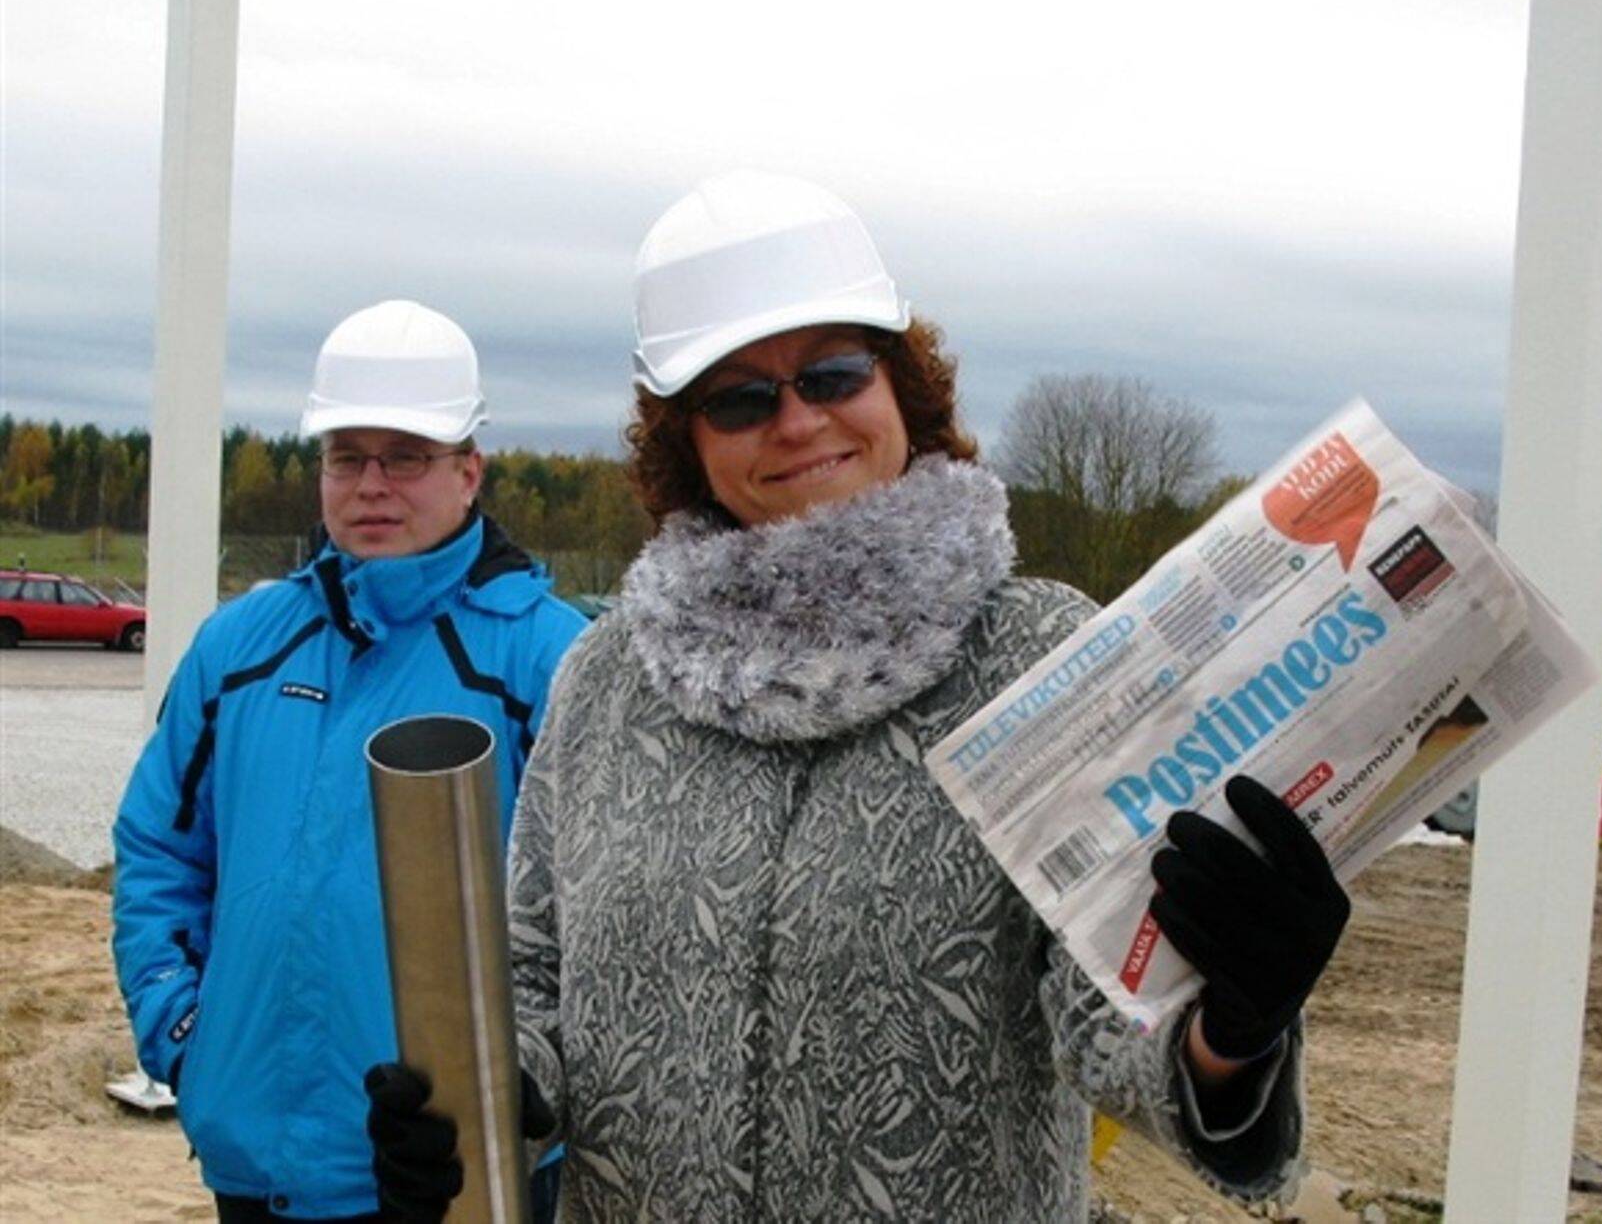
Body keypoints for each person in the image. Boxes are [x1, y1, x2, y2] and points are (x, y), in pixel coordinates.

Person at [368, 171, 1350, 1220]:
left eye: (834, 373)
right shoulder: (610, 678)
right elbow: (535, 975)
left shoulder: (1039, 657)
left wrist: (1233, 1028)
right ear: (687, 439)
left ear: (900, 387)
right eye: (739, 398)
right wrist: (490, 1095)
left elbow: (1113, 1022)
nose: (798, 421)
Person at [114, 299, 587, 1222]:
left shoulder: (552, 660)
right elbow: (158, 850)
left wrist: (523, 1093)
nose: (372, 484)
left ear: (469, 470)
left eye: (405, 455)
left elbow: (601, 923)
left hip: (457, 1175)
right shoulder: (238, 647)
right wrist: (185, 1033)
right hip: (255, 1160)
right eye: (346, 456)